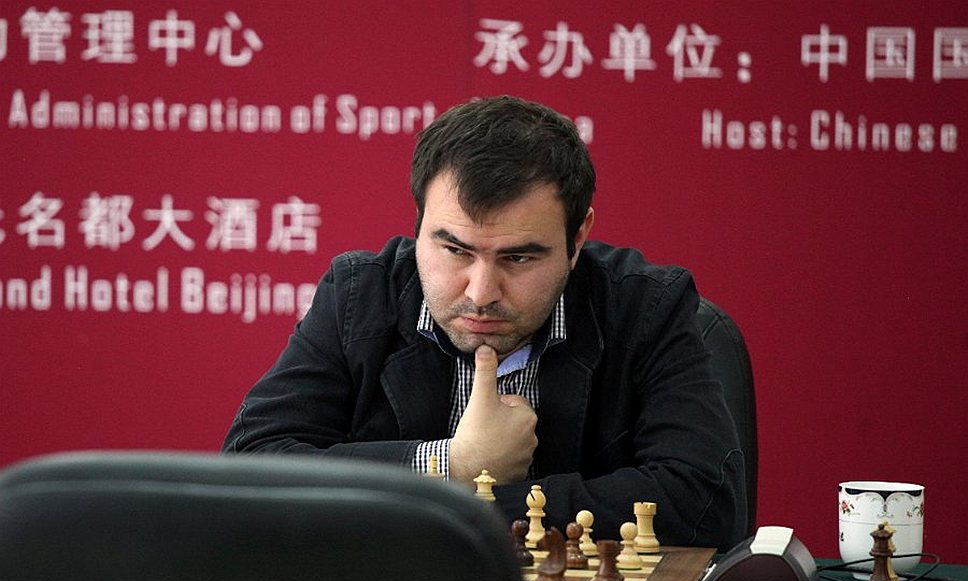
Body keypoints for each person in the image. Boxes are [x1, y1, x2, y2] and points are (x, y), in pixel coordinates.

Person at [222, 95, 747, 550]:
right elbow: (248, 470)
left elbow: (704, 502)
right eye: (455, 250)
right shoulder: (359, 296)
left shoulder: (646, 309)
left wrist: (472, 507)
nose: (480, 293)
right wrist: (450, 464)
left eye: (518, 258)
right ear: (418, 225)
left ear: (577, 238)